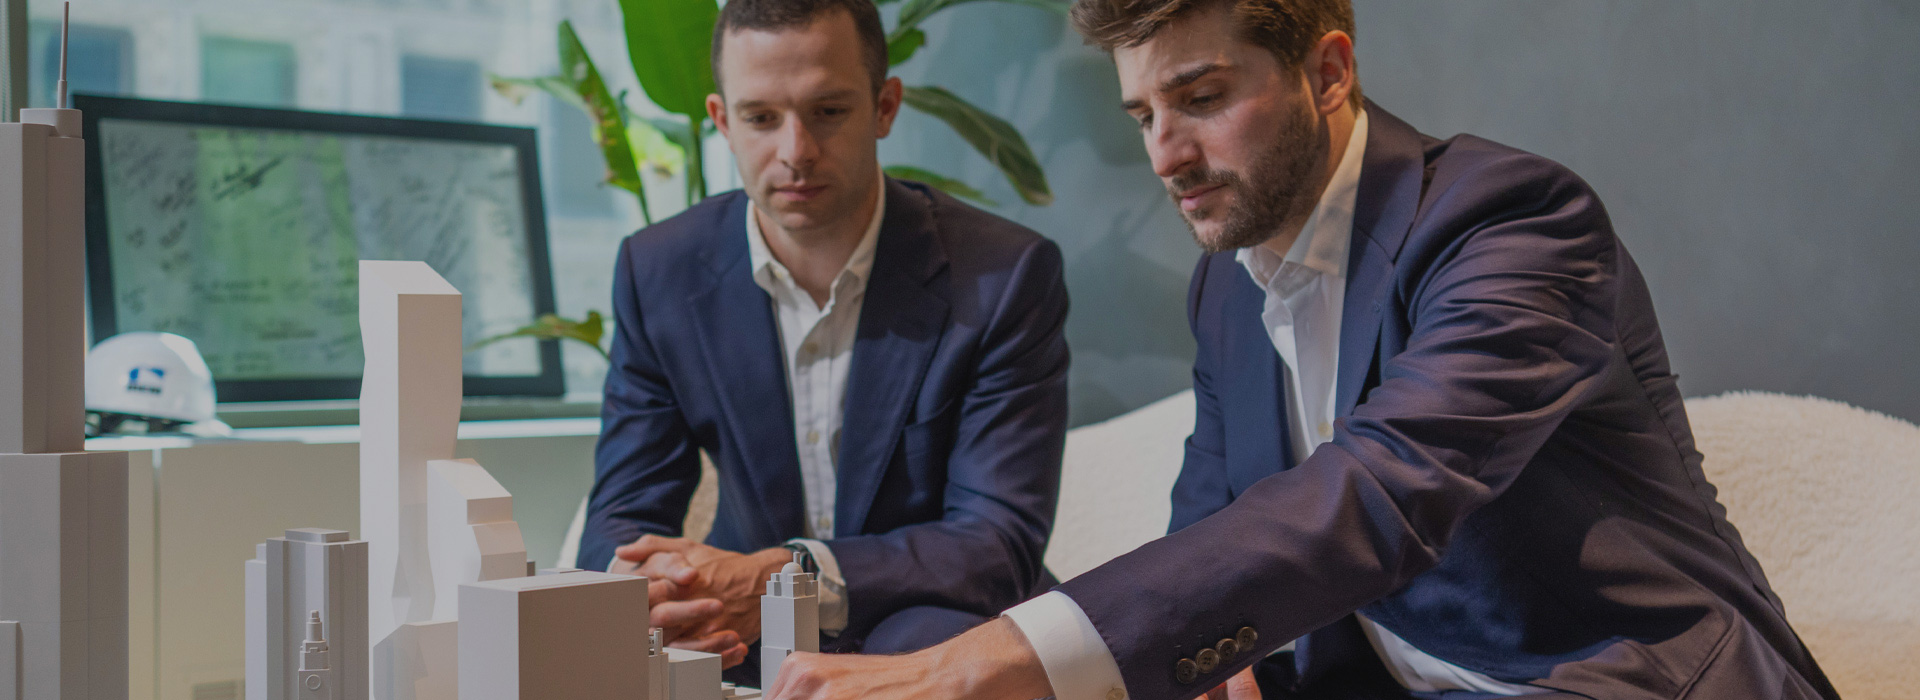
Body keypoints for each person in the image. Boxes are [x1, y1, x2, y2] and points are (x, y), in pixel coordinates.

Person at [761, 1, 1838, 699]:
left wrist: (995, 659)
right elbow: (1216, 533)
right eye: (1142, 114)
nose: (1166, 156)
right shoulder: (1227, 287)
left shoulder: (1509, 224)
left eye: (1202, 98)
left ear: (1327, 71)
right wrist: (1219, 665)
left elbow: (1382, 491)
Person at [577, 0, 1069, 679]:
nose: (795, 152)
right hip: (739, 637)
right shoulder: (656, 271)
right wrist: (663, 597)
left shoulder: (1003, 275)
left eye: (829, 111)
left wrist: (783, 576)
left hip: (939, 625)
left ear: (885, 107)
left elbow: (996, 541)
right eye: (760, 118)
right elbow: (623, 511)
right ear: (722, 120)